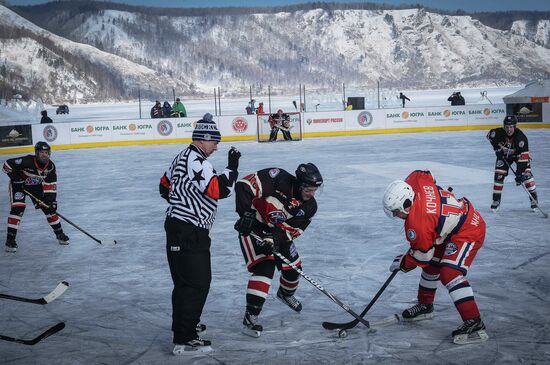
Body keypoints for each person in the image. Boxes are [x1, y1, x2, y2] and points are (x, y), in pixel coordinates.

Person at [159, 113, 241, 355]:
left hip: (180, 227)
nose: (216, 147)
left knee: (186, 282)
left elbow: (164, 185)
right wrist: (232, 168)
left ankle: (185, 326)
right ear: (204, 139)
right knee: (196, 283)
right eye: (215, 142)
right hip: (189, 230)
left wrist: (180, 200)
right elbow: (219, 190)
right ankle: (184, 337)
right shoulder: (197, 162)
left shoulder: (182, 157)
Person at [382, 170, 488, 345]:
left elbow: (422, 255)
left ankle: (474, 322)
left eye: (396, 212)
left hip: (468, 229)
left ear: (406, 205)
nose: (395, 216)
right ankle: (425, 306)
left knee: (450, 273)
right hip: (450, 227)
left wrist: (403, 263)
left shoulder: (418, 224)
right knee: (432, 266)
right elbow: (426, 174)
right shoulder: (415, 182)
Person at [234, 163, 323, 337]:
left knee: (294, 270)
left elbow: (292, 231)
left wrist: (274, 239)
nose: (312, 194)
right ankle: (251, 316)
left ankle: (285, 294)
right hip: (254, 228)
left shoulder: (310, 207)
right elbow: (243, 186)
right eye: (309, 189)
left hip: (279, 234)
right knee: (264, 268)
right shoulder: (278, 178)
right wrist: (246, 215)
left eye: (315, 190)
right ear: (299, 184)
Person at [2, 141, 70, 252]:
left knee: (49, 209)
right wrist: (16, 178)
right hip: (19, 186)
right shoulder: (27, 161)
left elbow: (50, 185)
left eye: (46, 152)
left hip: (36, 187)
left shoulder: (51, 167)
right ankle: (10, 241)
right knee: (18, 209)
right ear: (36, 153)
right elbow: (7, 165)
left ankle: (60, 234)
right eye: (41, 152)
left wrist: (52, 201)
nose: (44, 155)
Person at [486, 115, 538, 211]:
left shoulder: (521, 138)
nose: (509, 129)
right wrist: (497, 149)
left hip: (519, 156)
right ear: (504, 126)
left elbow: (524, 156)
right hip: (505, 156)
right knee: (499, 176)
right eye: (507, 127)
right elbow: (489, 136)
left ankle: (533, 198)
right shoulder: (497, 133)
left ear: (515, 126)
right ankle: (496, 200)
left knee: (526, 175)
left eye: (511, 127)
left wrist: (519, 173)